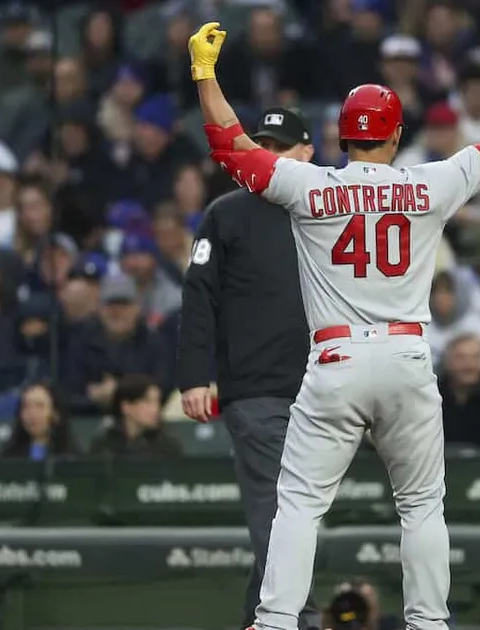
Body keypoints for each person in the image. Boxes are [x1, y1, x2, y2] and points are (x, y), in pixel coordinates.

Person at [189, 21, 480, 630]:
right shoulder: (429, 183)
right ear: (397, 135)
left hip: (335, 361)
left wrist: (205, 76)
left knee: (299, 503)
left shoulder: (308, 185)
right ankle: (429, 623)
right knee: (421, 507)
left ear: (340, 137)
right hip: (407, 359)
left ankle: (276, 619)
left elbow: (228, 145)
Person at [176, 105, 318, 630]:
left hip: (326, 385)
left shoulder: (326, 206)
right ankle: (297, 618)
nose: (269, 155)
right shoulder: (227, 212)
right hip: (256, 388)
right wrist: (194, 376)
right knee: (280, 514)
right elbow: (199, 297)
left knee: (295, 515)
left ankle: (260, 620)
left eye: (281, 147)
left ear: (307, 151)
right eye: (262, 144)